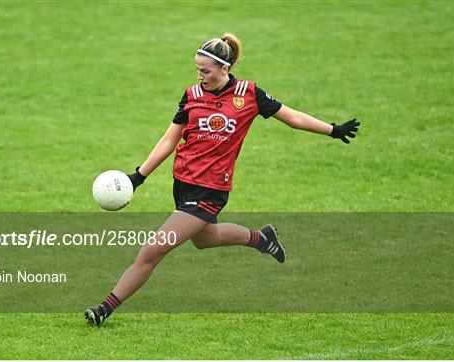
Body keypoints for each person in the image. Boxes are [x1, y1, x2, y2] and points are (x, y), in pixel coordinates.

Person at [85, 33, 360, 326]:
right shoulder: (192, 96)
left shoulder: (249, 94)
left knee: (154, 248)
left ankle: (105, 308)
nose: (200, 76)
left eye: (206, 70)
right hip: (183, 184)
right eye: (197, 70)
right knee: (205, 239)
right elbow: (170, 139)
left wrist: (332, 130)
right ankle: (261, 238)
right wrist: (138, 177)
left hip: (211, 190)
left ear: (224, 69)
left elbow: (292, 117)